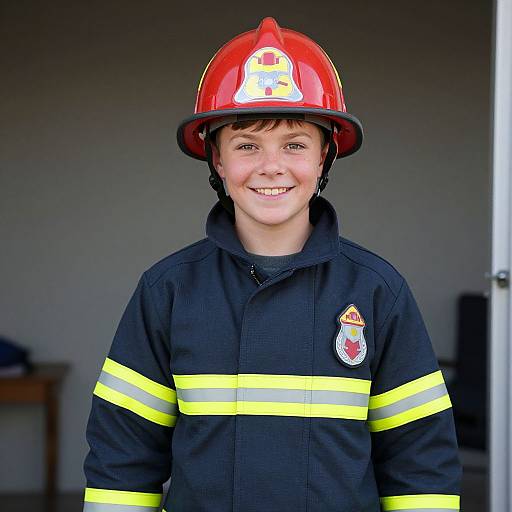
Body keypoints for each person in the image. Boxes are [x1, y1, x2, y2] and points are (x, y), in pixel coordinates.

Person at [82, 17, 462, 512]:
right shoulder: (168, 291)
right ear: (215, 160)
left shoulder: (376, 291)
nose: (271, 166)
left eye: (295, 144)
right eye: (245, 146)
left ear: (325, 156)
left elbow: (420, 461)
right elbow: (123, 456)